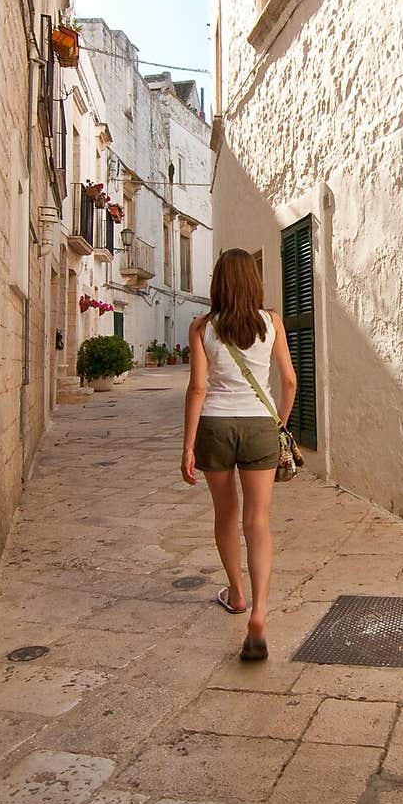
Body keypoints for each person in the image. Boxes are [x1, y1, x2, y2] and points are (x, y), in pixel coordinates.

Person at [181, 248, 297, 660]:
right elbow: (288, 380)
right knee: (258, 521)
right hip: (259, 427)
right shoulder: (273, 323)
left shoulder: (201, 327)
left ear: (218, 283)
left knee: (226, 517)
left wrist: (188, 446)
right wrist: (279, 424)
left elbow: (197, 388)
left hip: (215, 425)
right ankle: (260, 614)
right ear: (254, 281)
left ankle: (237, 593)